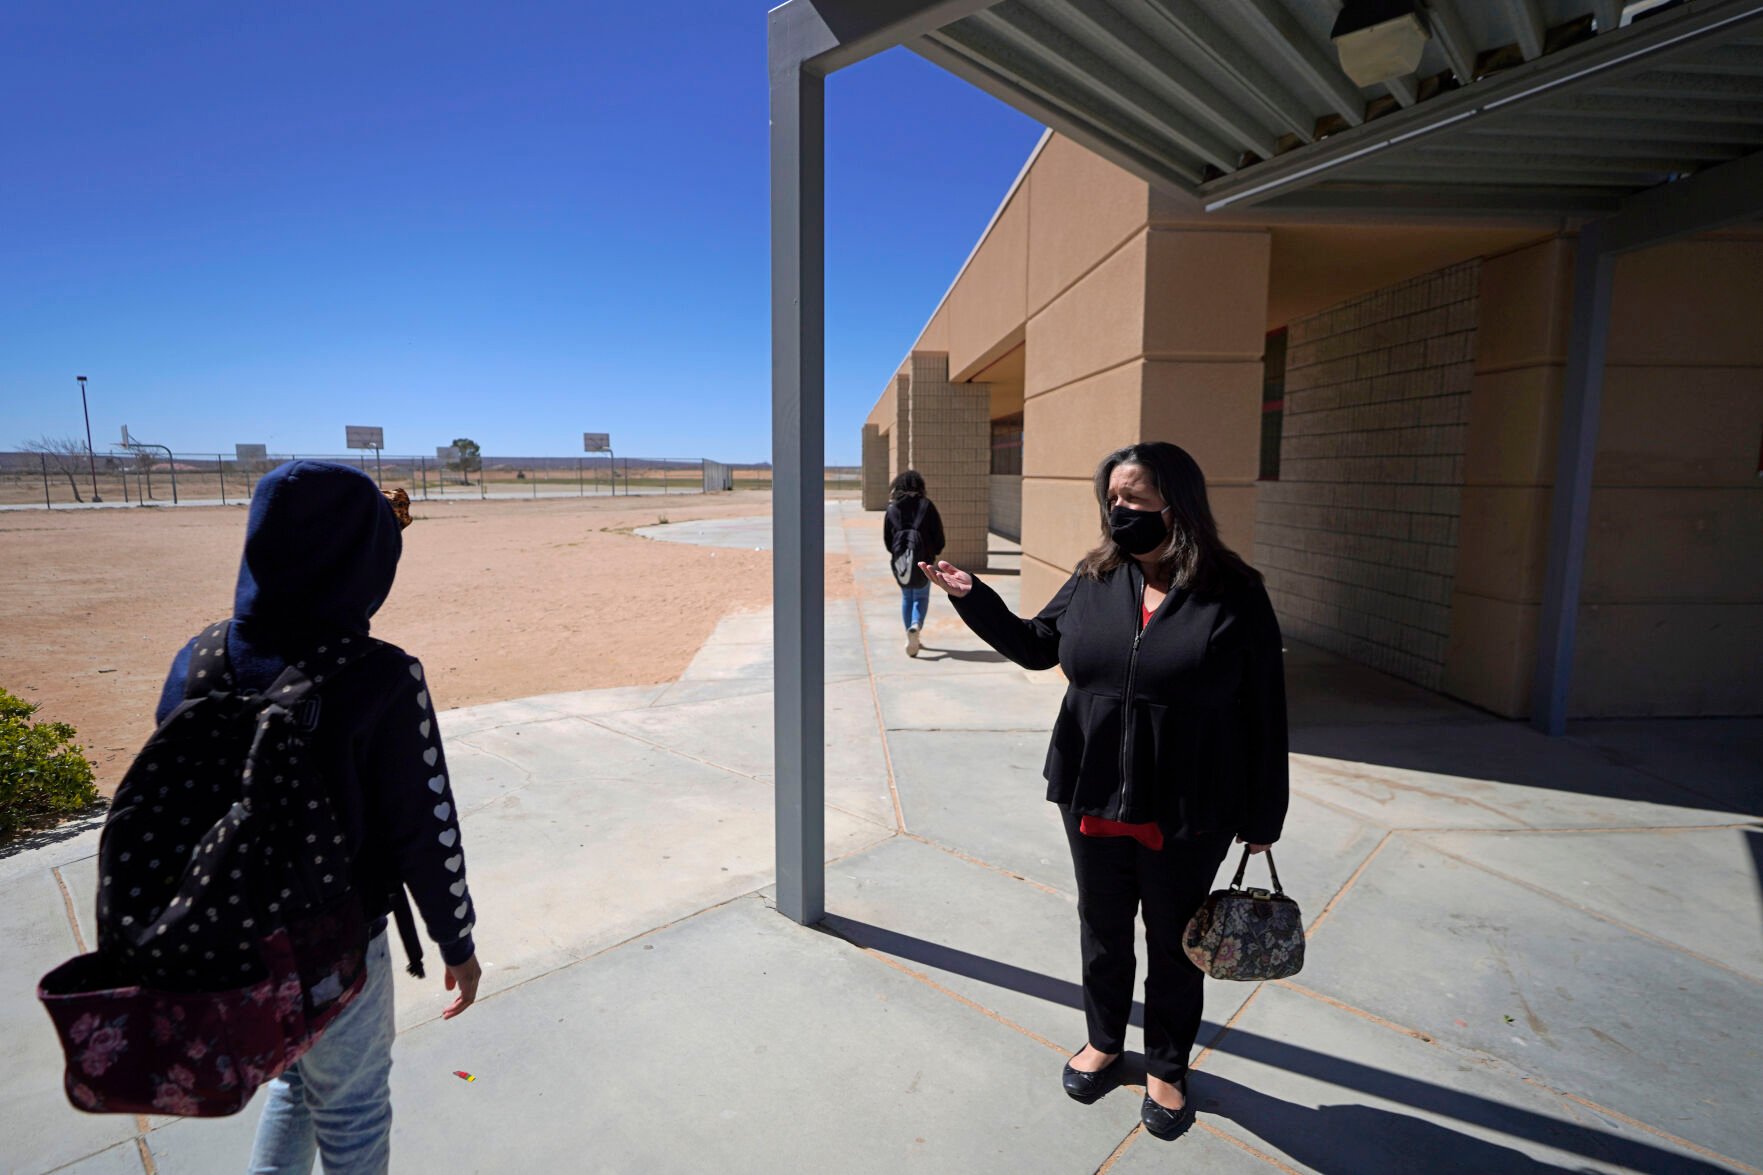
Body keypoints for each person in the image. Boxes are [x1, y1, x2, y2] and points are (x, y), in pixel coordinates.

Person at [921, 441, 1287, 1142]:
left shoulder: (1234, 590)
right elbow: (1037, 645)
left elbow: (1266, 711)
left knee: (1176, 940)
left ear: (1175, 504)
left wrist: (1263, 815)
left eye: (1134, 499)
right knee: (1102, 924)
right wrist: (975, 598)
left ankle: (1167, 1065)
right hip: (1091, 786)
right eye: (1111, 499)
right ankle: (1104, 1039)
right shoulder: (1094, 575)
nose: (1117, 511)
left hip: (1188, 800)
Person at [152, 461, 482, 1174]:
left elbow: (170, 800)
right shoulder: (381, 675)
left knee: (294, 1081)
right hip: (337, 947)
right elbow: (425, 829)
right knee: (353, 1109)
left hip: (236, 941)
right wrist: (457, 941)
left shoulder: (200, 657)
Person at [882, 470, 945, 658]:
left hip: (901, 564)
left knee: (907, 597)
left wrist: (900, 555)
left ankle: (910, 632)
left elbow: (887, 541)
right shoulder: (926, 506)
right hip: (923, 561)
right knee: (921, 597)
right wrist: (934, 552)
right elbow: (939, 537)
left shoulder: (892, 509)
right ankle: (916, 625)